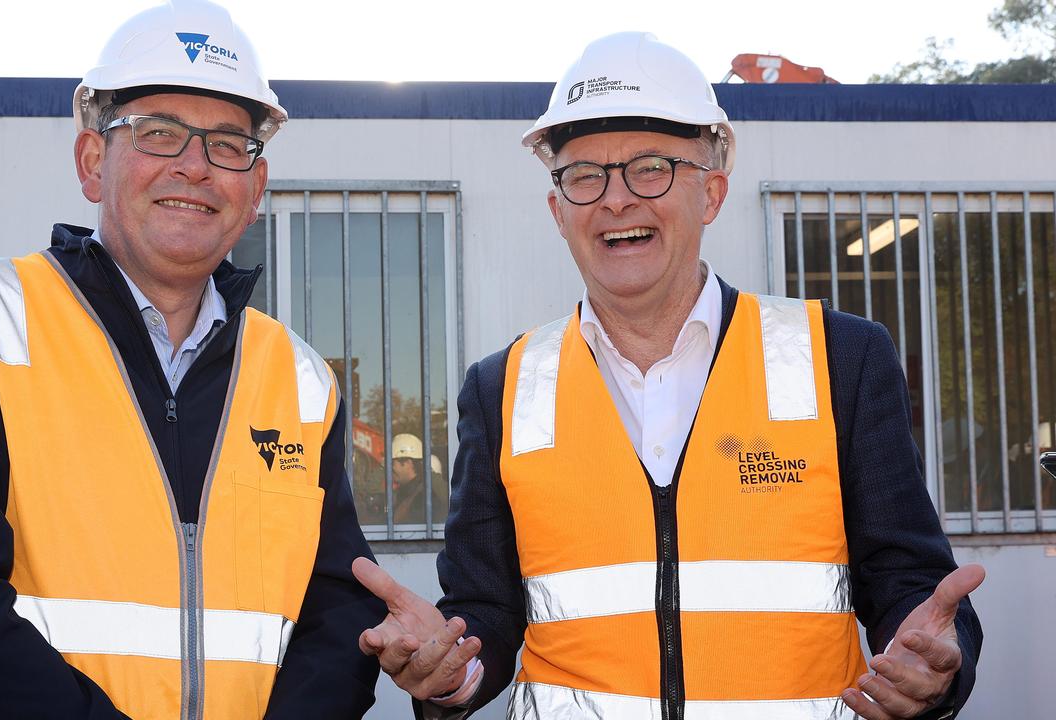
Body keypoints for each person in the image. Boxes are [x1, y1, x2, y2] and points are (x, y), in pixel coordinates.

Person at [353, 32, 984, 720]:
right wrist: (448, 671)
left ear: (710, 193)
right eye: (584, 175)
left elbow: (911, 586)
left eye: (650, 168)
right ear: (557, 210)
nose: (616, 200)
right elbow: (484, 612)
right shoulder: (502, 388)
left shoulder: (839, 359)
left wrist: (931, 672)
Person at [0, 1, 383, 717]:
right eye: (159, 133)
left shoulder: (300, 380)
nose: (196, 167)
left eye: (229, 144)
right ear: (92, 161)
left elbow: (335, 614)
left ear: (256, 190)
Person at [391, 433, 449, 525]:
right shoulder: (409, 490)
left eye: (392, 463)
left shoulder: (427, 494)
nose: (390, 469)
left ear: (408, 463)